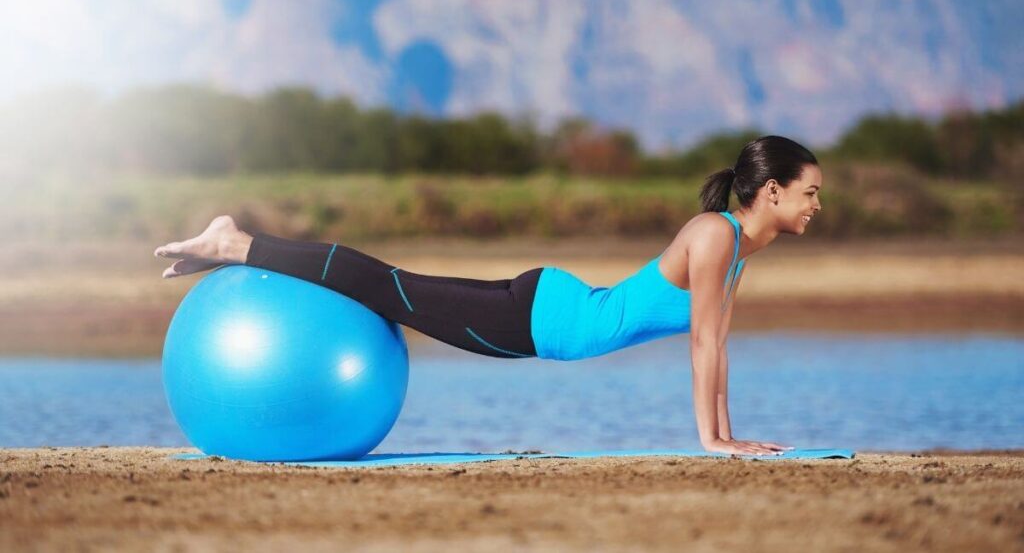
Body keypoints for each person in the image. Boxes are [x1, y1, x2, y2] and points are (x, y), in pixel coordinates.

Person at [154, 135, 821, 457]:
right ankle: (237, 243)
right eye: (810, 191)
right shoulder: (714, 237)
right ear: (772, 192)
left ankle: (239, 243)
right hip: (542, 320)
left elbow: (718, 346)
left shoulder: (738, 247)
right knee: (388, 288)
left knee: (393, 289)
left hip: (552, 309)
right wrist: (712, 440)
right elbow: (703, 342)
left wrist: (728, 437)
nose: (817, 203)